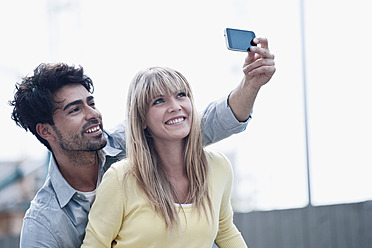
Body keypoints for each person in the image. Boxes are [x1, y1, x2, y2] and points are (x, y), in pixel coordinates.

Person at [9, 37, 275, 247]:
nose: (93, 115)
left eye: (91, 103)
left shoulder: (135, 139)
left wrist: (251, 84)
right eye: (75, 110)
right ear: (46, 131)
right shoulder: (43, 223)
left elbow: (207, 122)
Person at [82, 66, 249, 247]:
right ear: (142, 119)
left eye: (181, 95)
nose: (175, 107)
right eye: (159, 101)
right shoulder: (120, 178)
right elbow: (94, 244)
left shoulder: (218, 167)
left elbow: (225, 230)